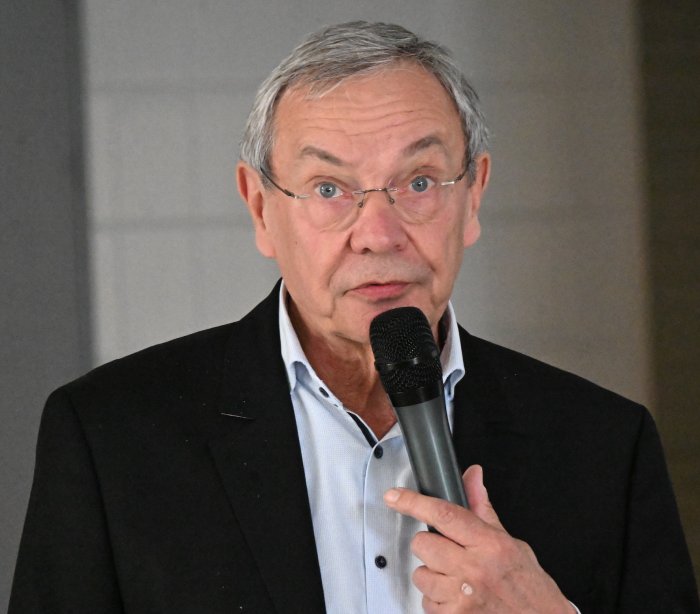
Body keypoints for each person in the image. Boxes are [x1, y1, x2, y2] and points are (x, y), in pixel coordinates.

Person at [9, 21, 698, 614]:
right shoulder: (109, 437)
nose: (377, 234)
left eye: (419, 182)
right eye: (329, 188)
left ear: (474, 196)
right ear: (260, 209)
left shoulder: (605, 445)